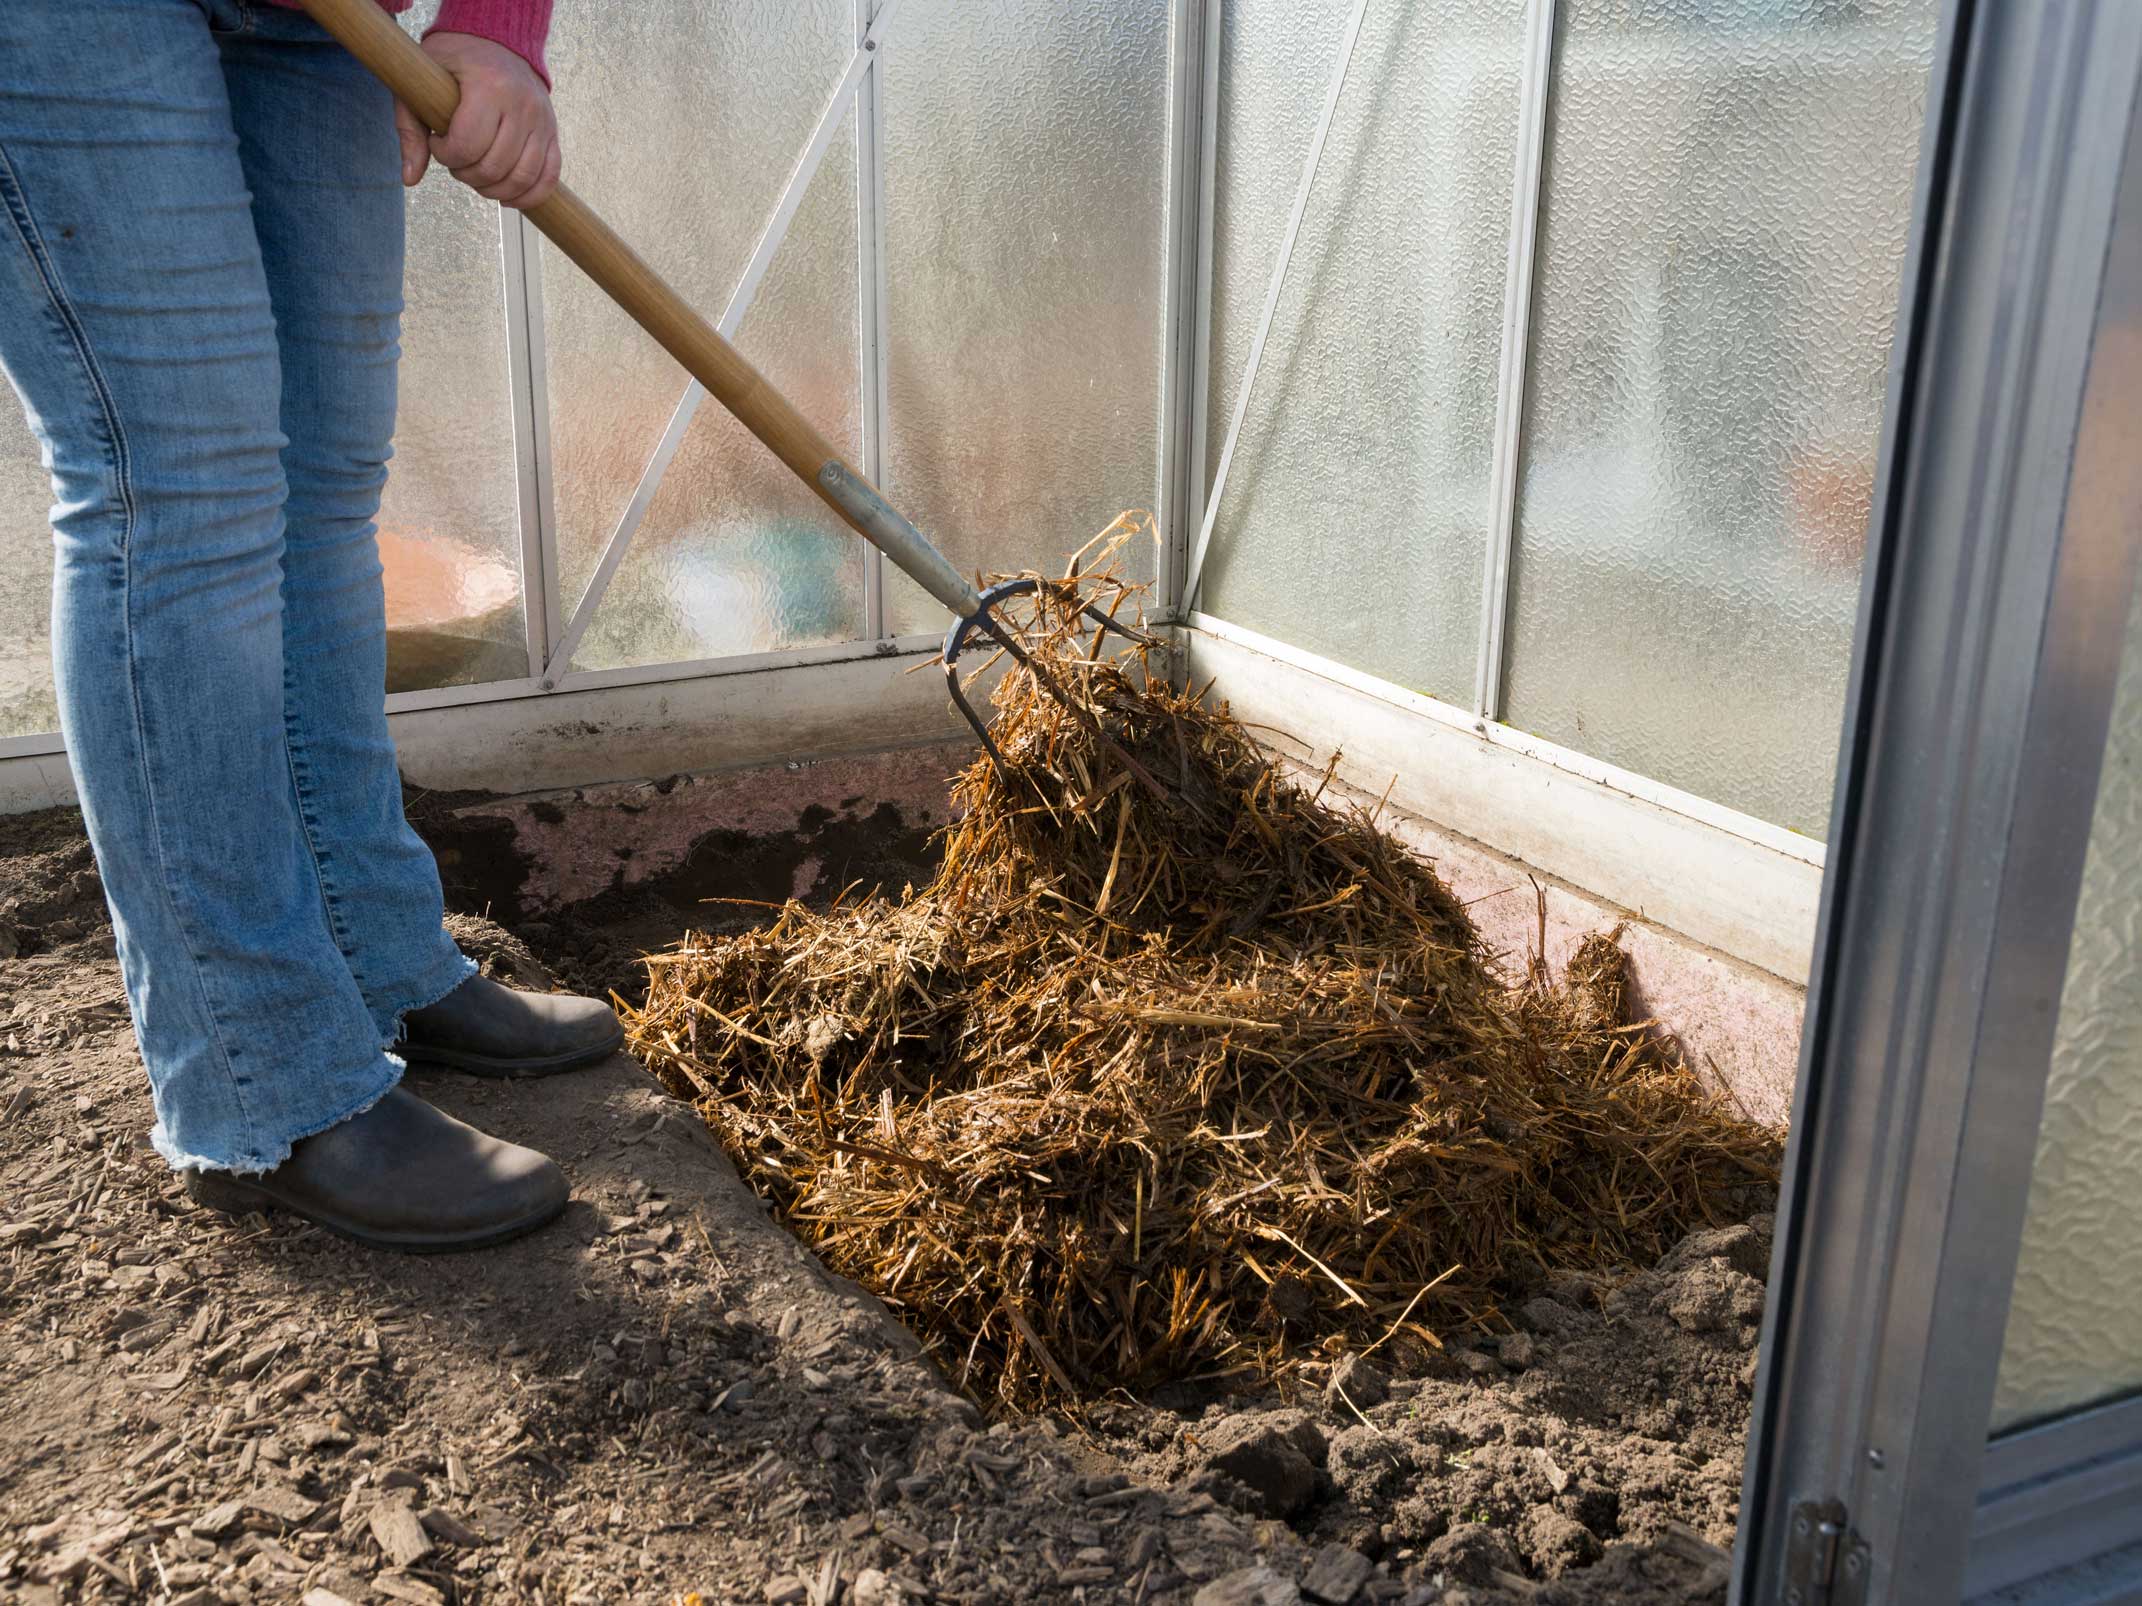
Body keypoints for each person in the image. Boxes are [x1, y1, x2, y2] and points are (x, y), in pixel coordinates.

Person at [0, 0, 614, 1252]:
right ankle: (261, 1080)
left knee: (325, 491)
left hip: (323, 22)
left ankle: (372, 949)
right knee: (184, 492)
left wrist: (498, 27)